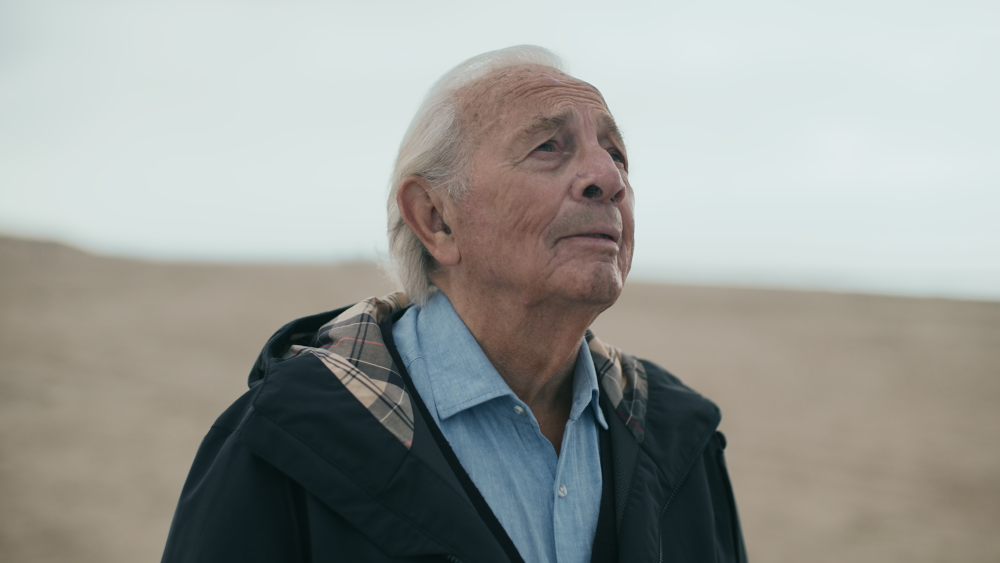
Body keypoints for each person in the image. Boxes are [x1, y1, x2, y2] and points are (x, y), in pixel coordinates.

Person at [161, 45, 747, 563]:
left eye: (617, 154)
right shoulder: (282, 443)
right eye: (549, 146)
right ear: (435, 219)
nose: (608, 178)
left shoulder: (680, 439)